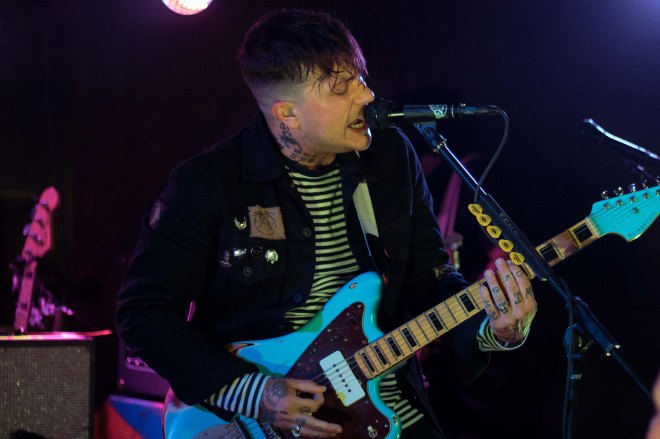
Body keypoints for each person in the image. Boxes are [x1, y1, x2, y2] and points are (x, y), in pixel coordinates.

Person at [116, 9, 537, 438]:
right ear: (287, 113)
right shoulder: (208, 183)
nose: (366, 95)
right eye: (341, 88)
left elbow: (429, 278)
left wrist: (491, 327)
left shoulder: (390, 157)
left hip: (388, 410)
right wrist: (256, 393)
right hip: (255, 419)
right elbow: (144, 313)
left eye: (361, 78)